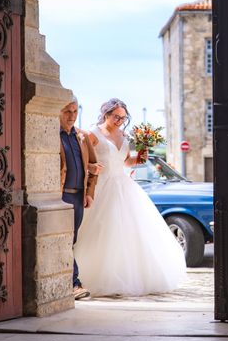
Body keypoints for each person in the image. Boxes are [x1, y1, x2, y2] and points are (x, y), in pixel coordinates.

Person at [73, 98, 187, 296]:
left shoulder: (124, 135)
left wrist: (142, 152)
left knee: (129, 233)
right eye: (116, 116)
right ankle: (88, 278)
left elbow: (126, 162)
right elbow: (83, 159)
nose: (119, 121)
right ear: (106, 114)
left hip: (124, 186)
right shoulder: (93, 134)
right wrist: (91, 170)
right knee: (101, 231)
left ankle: (126, 278)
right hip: (102, 187)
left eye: (123, 118)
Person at [59, 97, 103, 300]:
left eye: (75, 111)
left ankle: (67, 281)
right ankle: (74, 284)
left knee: (72, 240)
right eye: (67, 111)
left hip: (77, 197)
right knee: (64, 240)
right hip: (60, 196)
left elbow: (95, 167)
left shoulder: (83, 136)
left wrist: (89, 193)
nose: (72, 116)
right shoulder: (51, 136)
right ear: (59, 111)